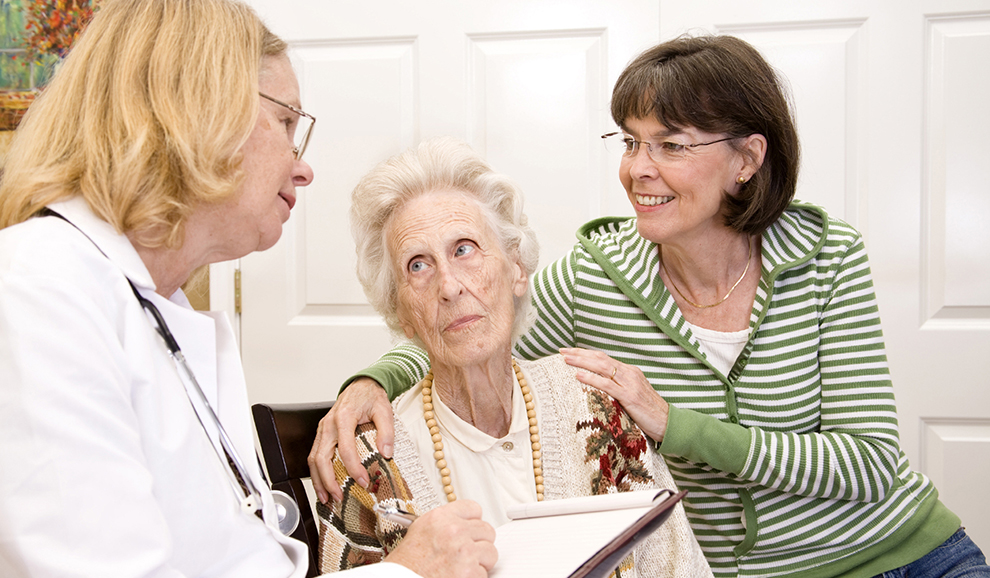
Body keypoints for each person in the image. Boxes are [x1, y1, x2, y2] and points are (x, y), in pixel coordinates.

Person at [308, 35, 990, 578]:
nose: (638, 168)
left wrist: (673, 425)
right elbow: (466, 315)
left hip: (909, 557)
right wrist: (371, 382)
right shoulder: (596, 276)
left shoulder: (825, 256)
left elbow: (868, 462)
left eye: (670, 145)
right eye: (631, 140)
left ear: (746, 159)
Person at [0, 1, 495, 577]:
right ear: (197, 111)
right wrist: (406, 571)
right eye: (287, 123)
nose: (303, 167)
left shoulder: (157, 308)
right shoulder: (36, 292)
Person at [314, 137, 711, 578]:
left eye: (464, 249)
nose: (449, 286)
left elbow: (679, 568)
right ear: (401, 312)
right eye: (418, 266)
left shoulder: (599, 406)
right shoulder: (364, 457)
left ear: (517, 270)